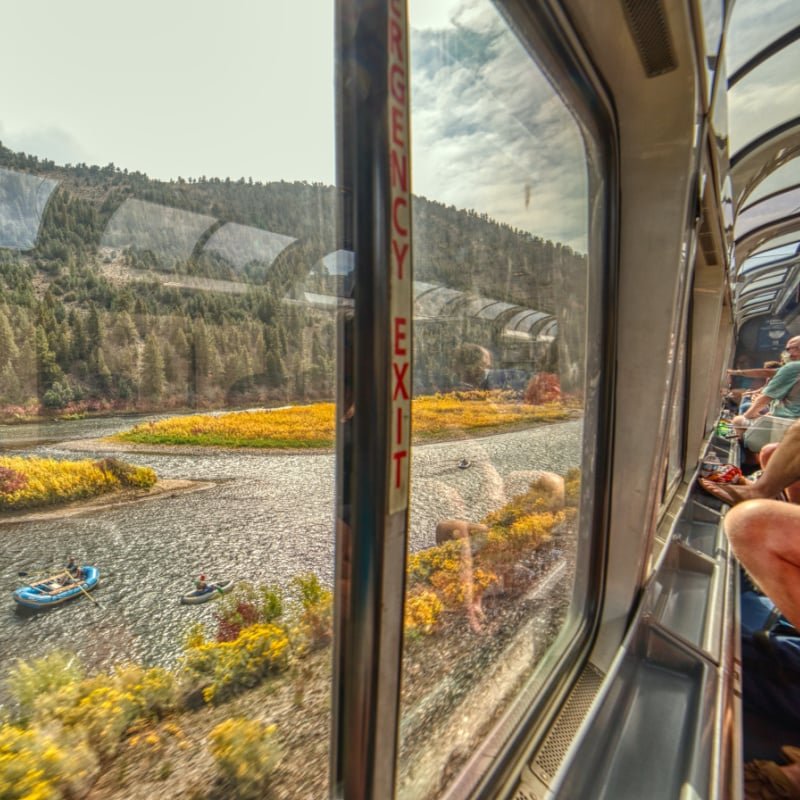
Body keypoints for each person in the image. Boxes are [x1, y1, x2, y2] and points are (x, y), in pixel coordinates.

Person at [731, 336, 800, 453]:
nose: (786, 352)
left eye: (788, 349)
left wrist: (748, 415)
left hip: (785, 423)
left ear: (797, 349)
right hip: (793, 422)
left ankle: (752, 462)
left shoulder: (793, 367)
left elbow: (765, 398)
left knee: (738, 421)